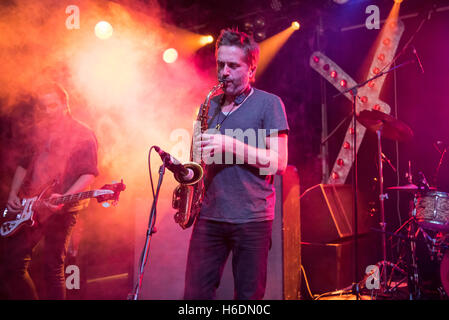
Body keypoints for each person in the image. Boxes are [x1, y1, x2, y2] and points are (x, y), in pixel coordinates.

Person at [184, 28, 289, 300]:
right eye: (220, 65)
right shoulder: (208, 104)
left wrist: (232, 145)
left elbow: (279, 162)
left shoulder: (270, 104)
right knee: (194, 296)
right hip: (209, 216)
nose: (224, 73)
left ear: (251, 69)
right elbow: (196, 158)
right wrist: (180, 168)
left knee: (248, 298)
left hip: (251, 219)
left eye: (233, 65)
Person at [0, 82, 99, 299]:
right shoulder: (39, 131)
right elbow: (23, 165)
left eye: (52, 106)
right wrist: (13, 196)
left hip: (61, 209)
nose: (47, 111)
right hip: (31, 205)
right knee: (12, 265)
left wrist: (65, 197)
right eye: (43, 107)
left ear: (65, 105)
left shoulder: (82, 133)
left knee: (52, 268)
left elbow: (89, 173)